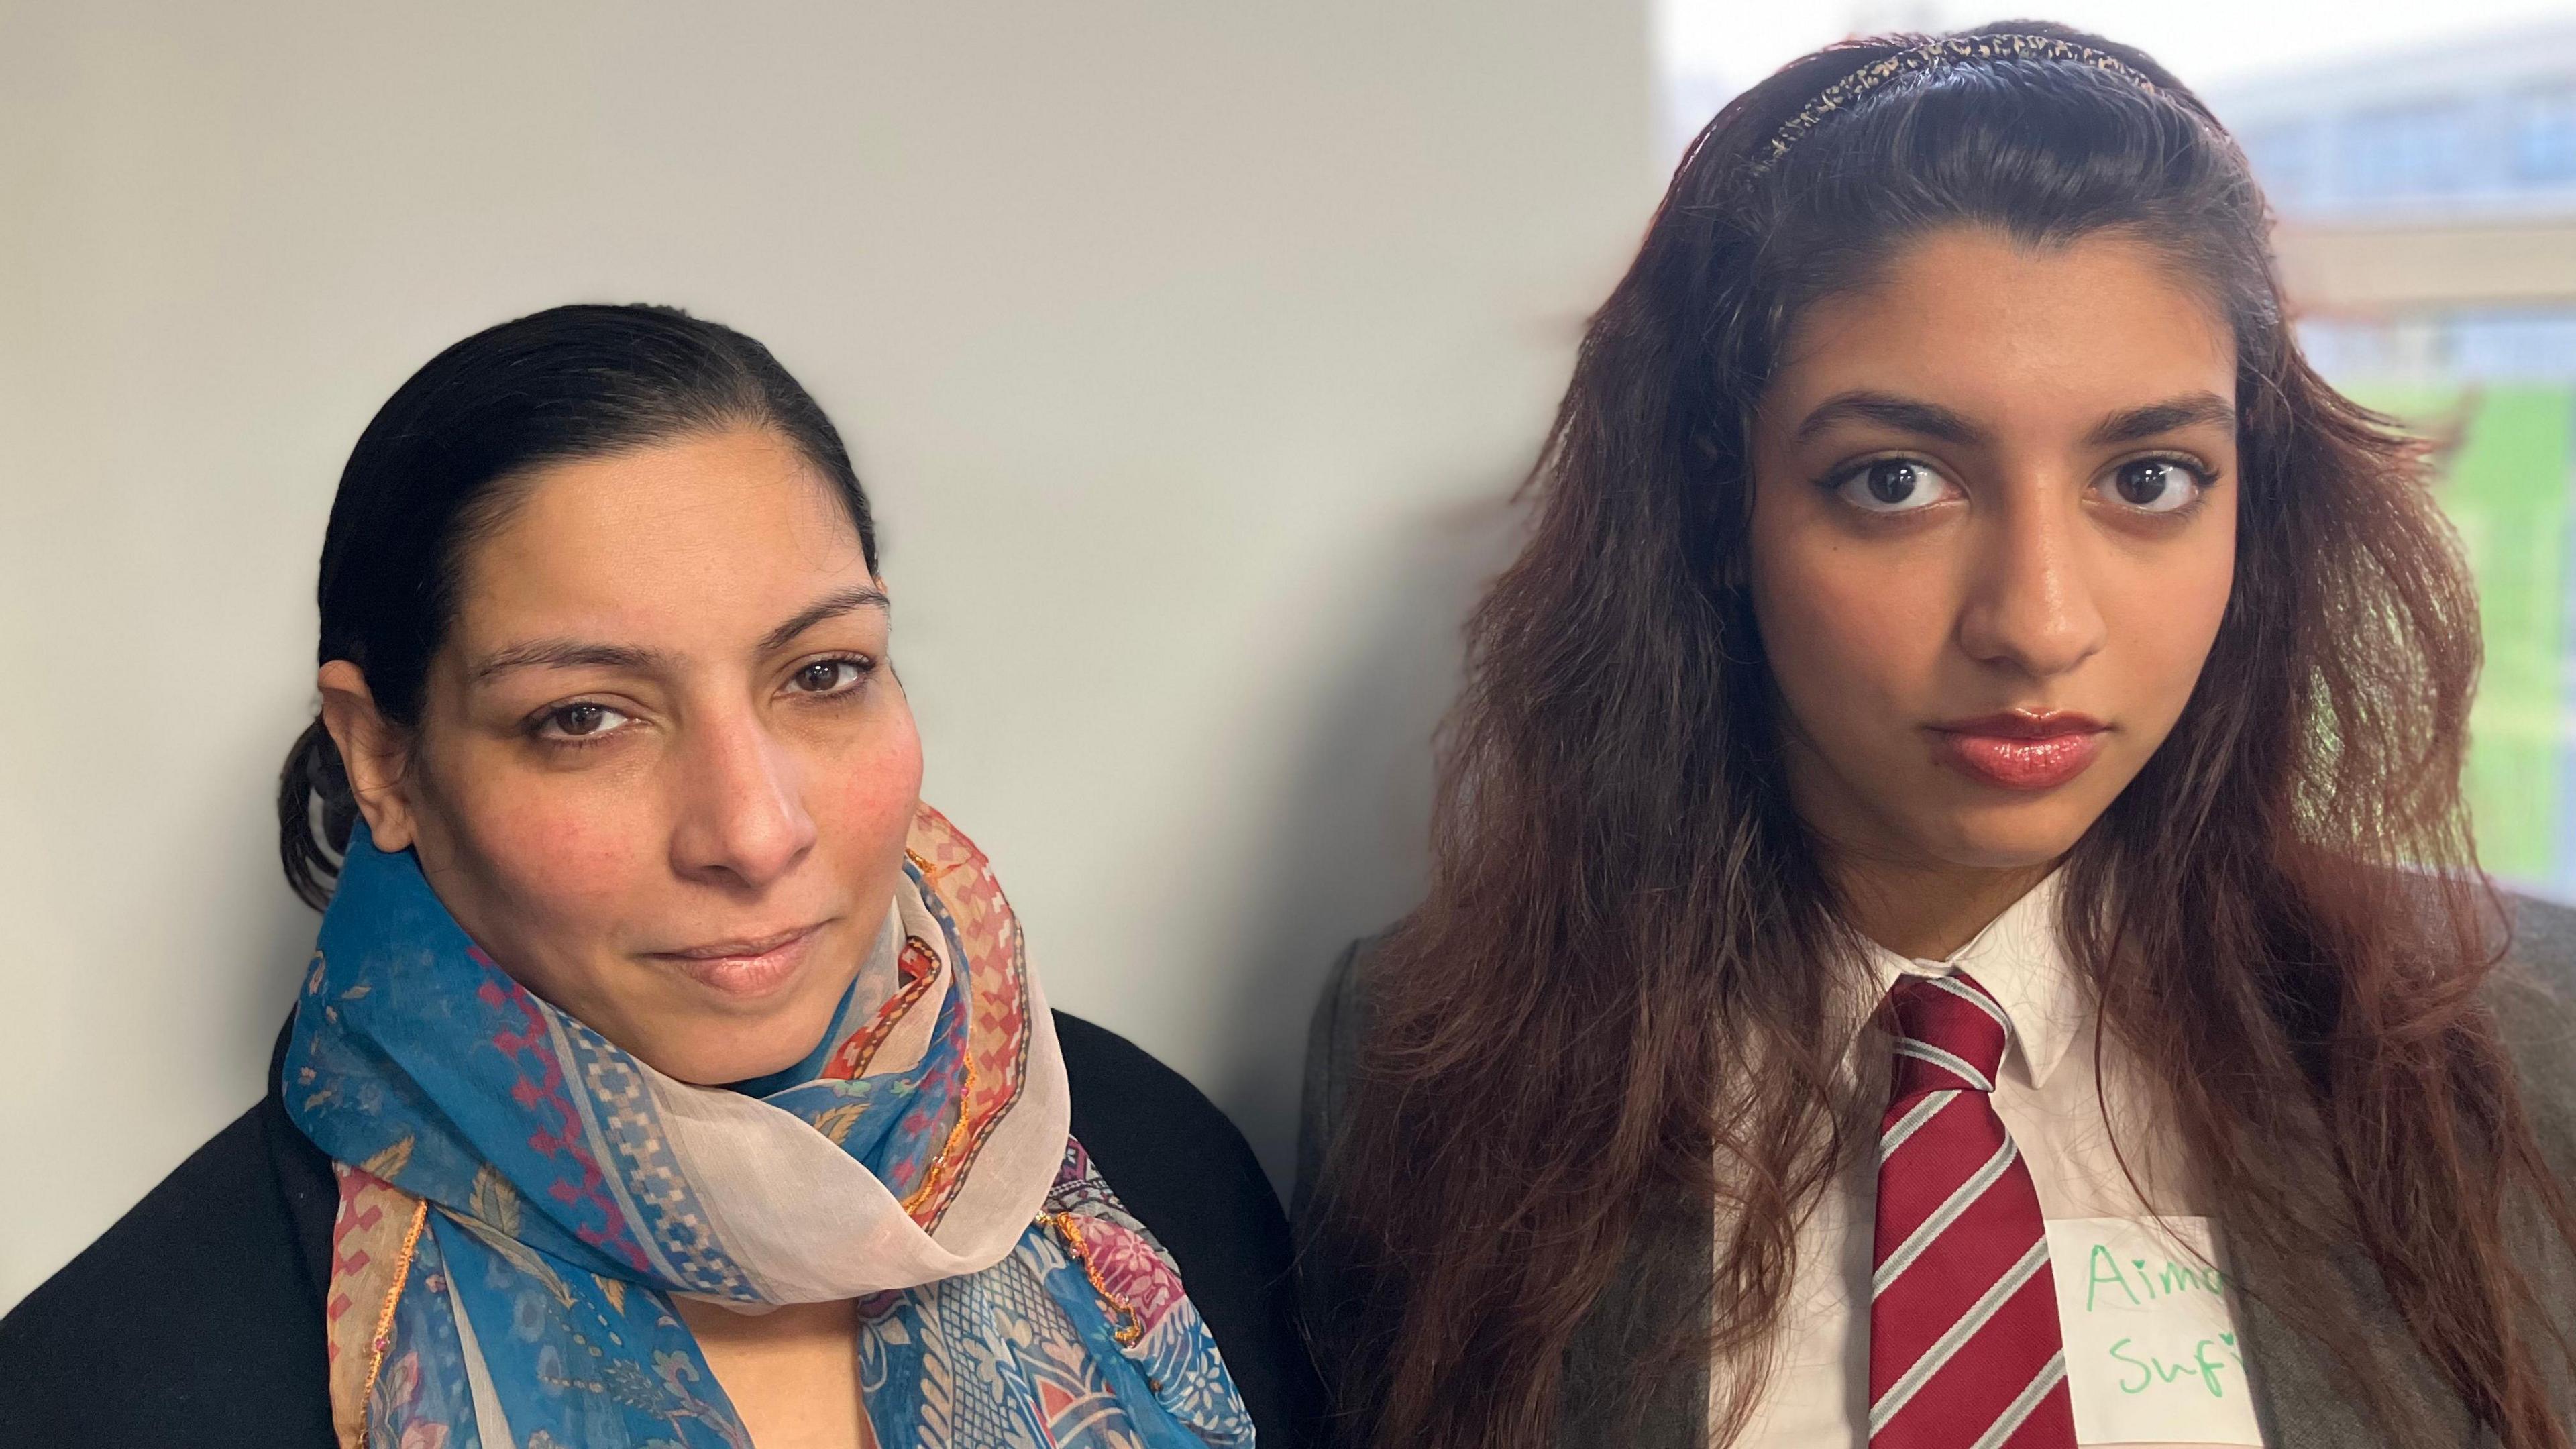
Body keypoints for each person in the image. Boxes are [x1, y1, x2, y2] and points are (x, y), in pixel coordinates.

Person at [1297, 24, 2576, 1449]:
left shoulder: (2520, 1039)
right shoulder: (1436, 1063)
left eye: (2150, 477)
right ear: (1722, 507)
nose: (2036, 624)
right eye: (1895, 481)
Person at [1, 303, 1318, 1449]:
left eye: (822, 674)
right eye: (586, 716)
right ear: (382, 761)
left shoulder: (1154, 1164)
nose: (752, 832)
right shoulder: (107, 1390)